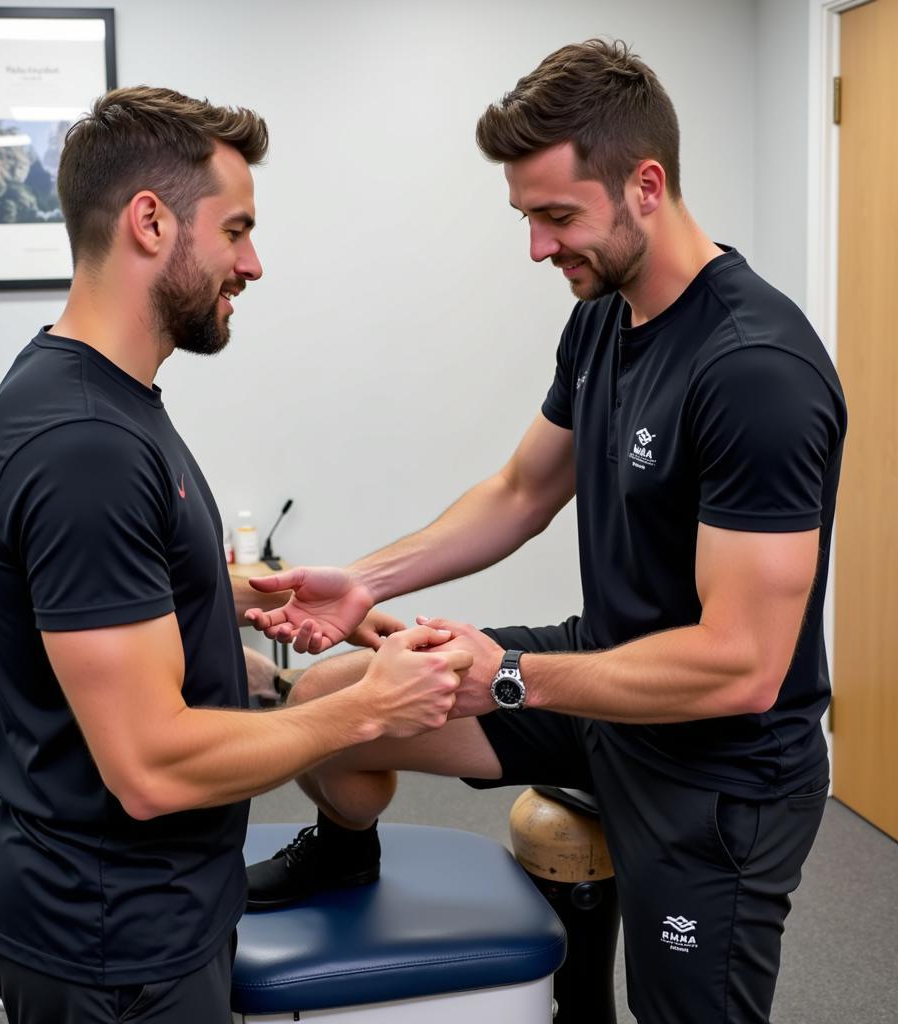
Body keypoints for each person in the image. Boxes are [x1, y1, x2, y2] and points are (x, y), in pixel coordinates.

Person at [243, 39, 847, 1024]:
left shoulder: (754, 372)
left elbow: (742, 666)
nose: (537, 247)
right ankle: (346, 852)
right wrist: (364, 582)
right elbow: (523, 489)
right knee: (334, 700)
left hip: (717, 761)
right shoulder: (604, 317)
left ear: (644, 185)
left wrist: (514, 677)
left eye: (556, 216)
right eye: (528, 217)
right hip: (604, 681)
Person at [0, 85, 471, 1024]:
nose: (254, 264)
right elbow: (151, 765)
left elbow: (92, 590)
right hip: (113, 940)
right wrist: (368, 707)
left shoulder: (101, 398)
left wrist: (226, 590)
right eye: (235, 231)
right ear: (150, 223)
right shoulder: (86, 444)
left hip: (147, 912)